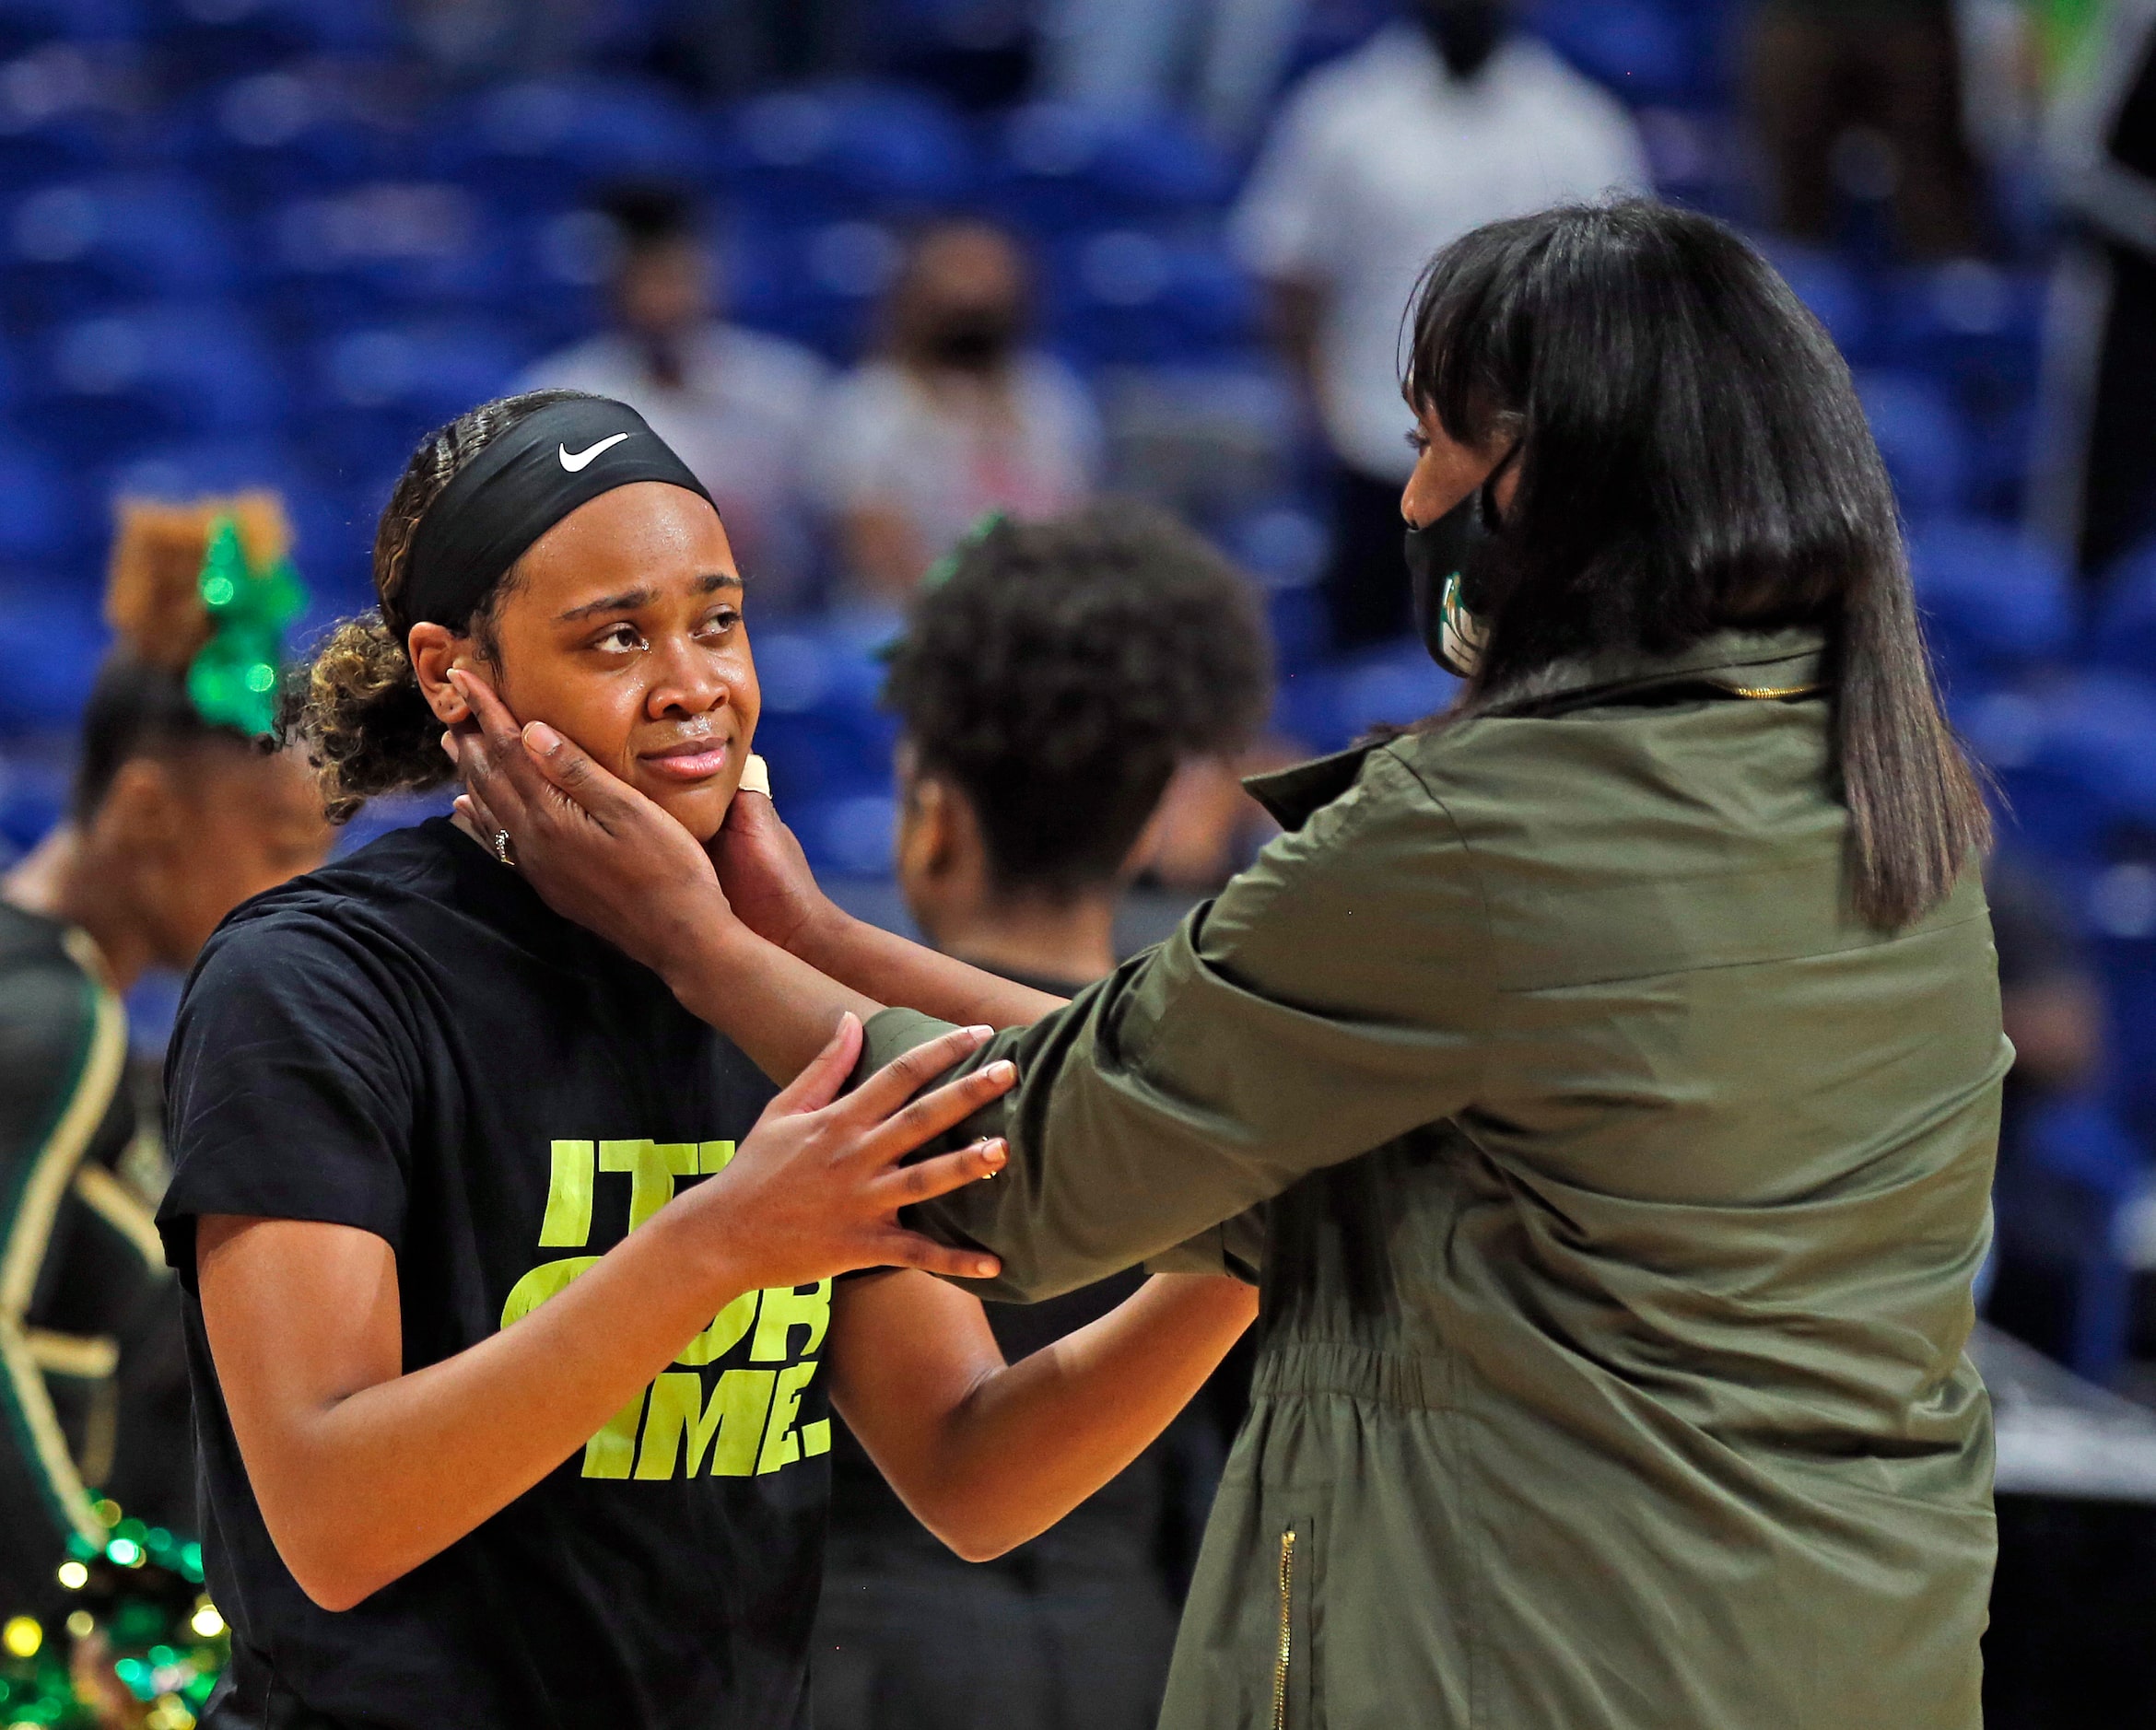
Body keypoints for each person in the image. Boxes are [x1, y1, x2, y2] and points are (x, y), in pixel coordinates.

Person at [457, 202, 2009, 1730]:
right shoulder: (1886, 804)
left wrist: (688, 939)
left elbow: (1042, 1170)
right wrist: (813, 940)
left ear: (1545, 474)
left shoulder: (1489, 836)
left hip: (1559, 1661)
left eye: (1433, 444)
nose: (1408, 503)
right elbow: (1216, 1081)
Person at [156, 390, 1256, 1730]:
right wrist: (719, 1244)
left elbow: (973, 1471)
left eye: (718, 621)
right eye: (618, 636)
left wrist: (1258, 1237)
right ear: (453, 673)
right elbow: (334, 1518)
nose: (695, 685)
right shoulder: (314, 981)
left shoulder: (759, 981)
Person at [815, 504, 1271, 1730]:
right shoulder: (1230, 1085)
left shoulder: (850, 1067)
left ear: (935, 818)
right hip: (1143, 1648)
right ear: (1142, 829)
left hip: (873, 1651)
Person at [0, 495, 329, 1616]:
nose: (301, 895)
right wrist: (80, 1611)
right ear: (147, 809)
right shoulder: (55, 1016)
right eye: (280, 847)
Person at [1232, 0, 1647, 650]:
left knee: (1516, 663)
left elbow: (1617, 297)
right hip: (1373, 441)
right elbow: (1290, 272)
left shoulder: (1581, 125)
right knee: (1361, 669)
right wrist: (1316, 408)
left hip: (1527, 451)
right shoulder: (1340, 111)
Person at [520, 183, 829, 610]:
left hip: (777, 608)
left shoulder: (785, 384)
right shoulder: (560, 396)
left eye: (676, 276)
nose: (663, 297)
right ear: (617, 287)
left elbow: (830, 521)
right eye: (648, 279)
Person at [812, 220, 1100, 604]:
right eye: (957, 278)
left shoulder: (1052, 398)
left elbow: (1074, 530)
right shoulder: (866, 407)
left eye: (989, 281)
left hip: (1037, 611)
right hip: (900, 619)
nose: (974, 296)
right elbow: (878, 555)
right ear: (913, 297)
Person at [1746, 0, 1989, 261]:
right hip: (1803, 19)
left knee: (1931, 189)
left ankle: (1951, 285)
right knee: (1794, 195)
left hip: (1912, 24)